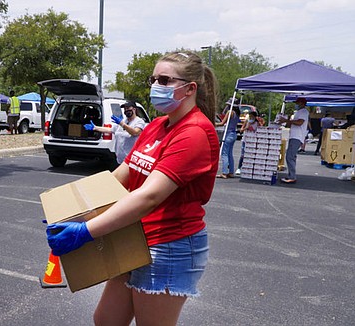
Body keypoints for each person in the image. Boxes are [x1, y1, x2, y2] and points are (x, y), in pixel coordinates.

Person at [46, 51, 220, 326]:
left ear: (190, 89)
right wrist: (72, 210)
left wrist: (86, 231)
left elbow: (149, 196)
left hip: (169, 246)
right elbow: (118, 178)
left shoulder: (194, 132)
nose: (155, 86)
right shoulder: (157, 127)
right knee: (106, 320)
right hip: (135, 238)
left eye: (164, 80)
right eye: (154, 79)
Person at [278, 97, 309, 184]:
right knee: (292, 156)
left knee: (289, 156)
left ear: (301, 103)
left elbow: (299, 122)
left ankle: (292, 176)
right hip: (294, 136)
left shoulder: (303, 112)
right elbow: (292, 124)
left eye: (297, 103)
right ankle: (291, 175)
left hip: (297, 137)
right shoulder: (298, 112)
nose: (296, 104)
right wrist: (286, 121)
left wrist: (288, 120)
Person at [215, 105, 240, 178]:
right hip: (233, 134)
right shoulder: (237, 113)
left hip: (228, 134)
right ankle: (231, 172)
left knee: (224, 153)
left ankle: (224, 172)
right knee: (229, 153)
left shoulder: (230, 112)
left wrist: (214, 124)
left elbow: (222, 123)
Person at [235, 111, 259, 175]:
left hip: (253, 141)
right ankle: (239, 168)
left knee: (251, 155)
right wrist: (246, 127)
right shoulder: (247, 121)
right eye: (249, 116)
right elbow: (241, 130)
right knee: (243, 154)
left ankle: (250, 168)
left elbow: (259, 131)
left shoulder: (257, 123)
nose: (251, 118)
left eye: (252, 116)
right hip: (245, 140)